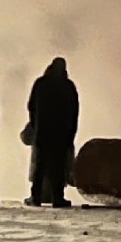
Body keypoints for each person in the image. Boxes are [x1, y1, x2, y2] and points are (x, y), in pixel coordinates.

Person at [25, 56, 79, 208]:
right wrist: (71, 133)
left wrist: (35, 125)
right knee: (58, 166)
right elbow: (74, 111)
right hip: (61, 134)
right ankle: (58, 198)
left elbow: (31, 106)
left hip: (42, 132)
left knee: (40, 166)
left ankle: (35, 197)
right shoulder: (68, 86)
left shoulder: (40, 84)